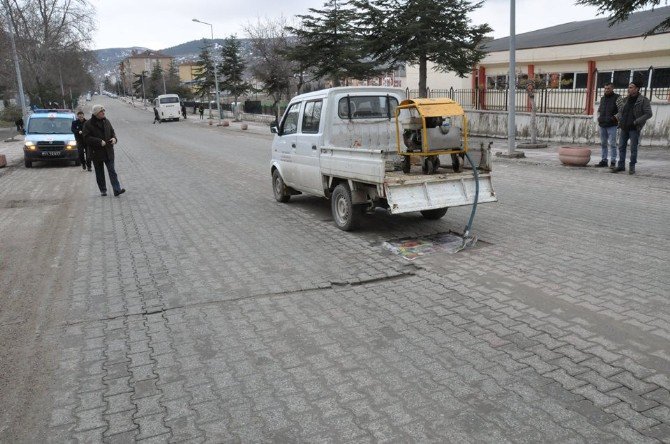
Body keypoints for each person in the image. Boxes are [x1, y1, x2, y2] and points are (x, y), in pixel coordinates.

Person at [83, 105, 126, 197]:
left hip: (108, 151)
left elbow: (112, 132)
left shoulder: (107, 121)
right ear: (96, 113)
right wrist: (99, 141)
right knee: (99, 173)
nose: (103, 113)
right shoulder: (88, 124)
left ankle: (117, 190)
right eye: (101, 111)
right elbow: (86, 138)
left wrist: (114, 138)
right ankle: (103, 190)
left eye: (103, 111)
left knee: (112, 171)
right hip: (96, 152)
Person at [611, 81, 653, 175]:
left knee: (633, 148)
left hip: (634, 128)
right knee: (621, 147)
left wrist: (636, 122)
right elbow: (622, 112)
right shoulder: (625, 99)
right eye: (628, 87)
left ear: (637, 89)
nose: (628, 89)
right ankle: (621, 166)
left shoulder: (643, 100)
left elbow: (649, 114)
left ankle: (632, 167)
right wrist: (616, 117)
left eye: (631, 87)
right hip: (624, 127)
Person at [595, 83, 619, 168]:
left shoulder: (617, 98)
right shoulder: (602, 98)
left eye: (608, 88)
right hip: (602, 125)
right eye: (605, 88)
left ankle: (613, 161)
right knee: (603, 144)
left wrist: (614, 118)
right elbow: (599, 110)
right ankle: (604, 160)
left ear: (612, 88)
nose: (606, 90)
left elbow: (622, 111)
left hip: (612, 125)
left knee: (612, 144)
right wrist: (598, 118)